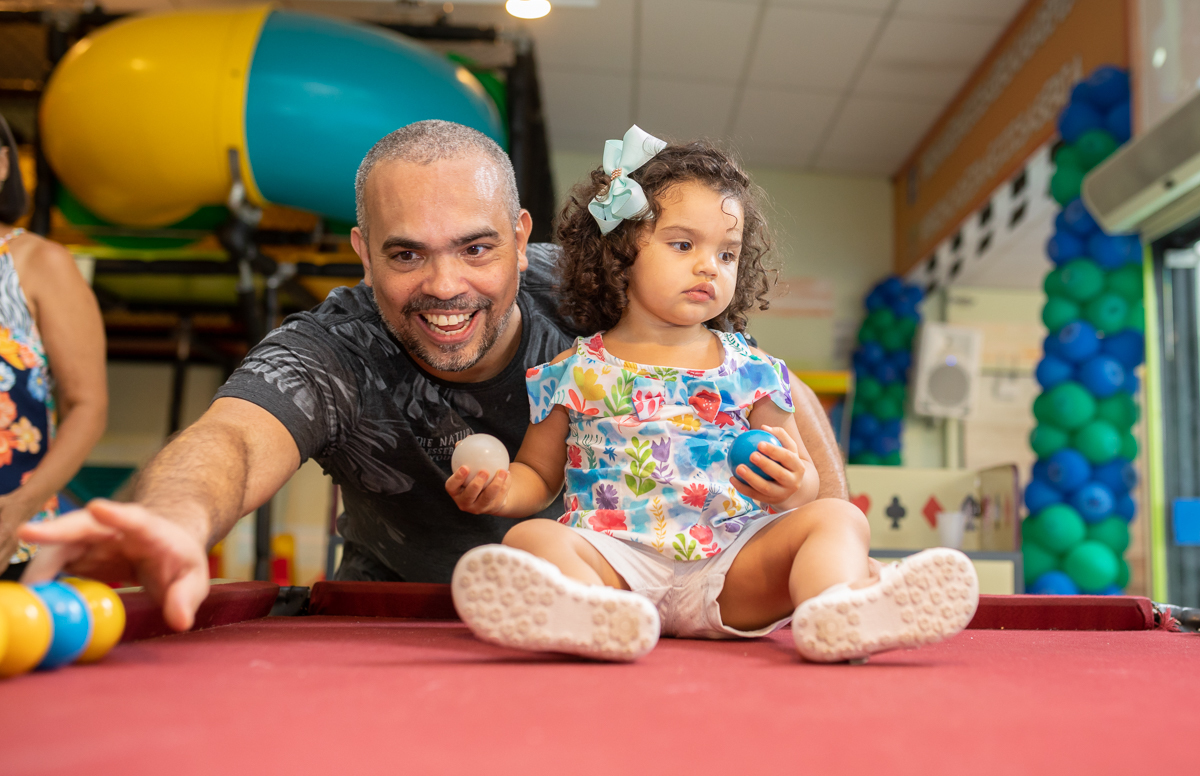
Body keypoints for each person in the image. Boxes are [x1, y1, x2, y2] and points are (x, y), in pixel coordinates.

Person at [19, 120, 846, 633]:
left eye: (477, 248)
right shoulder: (331, 348)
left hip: (655, 598)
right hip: (394, 618)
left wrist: (831, 528)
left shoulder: (599, 288)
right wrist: (170, 516)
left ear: (522, 238)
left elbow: (766, 386)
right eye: (406, 253)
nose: (445, 285)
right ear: (363, 254)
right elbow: (233, 439)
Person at [445, 127, 979, 663]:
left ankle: (838, 610)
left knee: (841, 519)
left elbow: (805, 481)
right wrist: (498, 492)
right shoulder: (574, 369)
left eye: (727, 253)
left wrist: (793, 486)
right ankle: (589, 615)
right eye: (684, 245)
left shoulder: (753, 370)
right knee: (528, 541)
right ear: (622, 251)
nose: (709, 266)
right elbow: (538, 476)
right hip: (618, 569)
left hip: (731, 570)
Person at [0, 113, 107, 579]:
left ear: (3, 165)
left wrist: (17, 509)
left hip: (11, 542)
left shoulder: (39, 263)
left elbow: (88, 406)